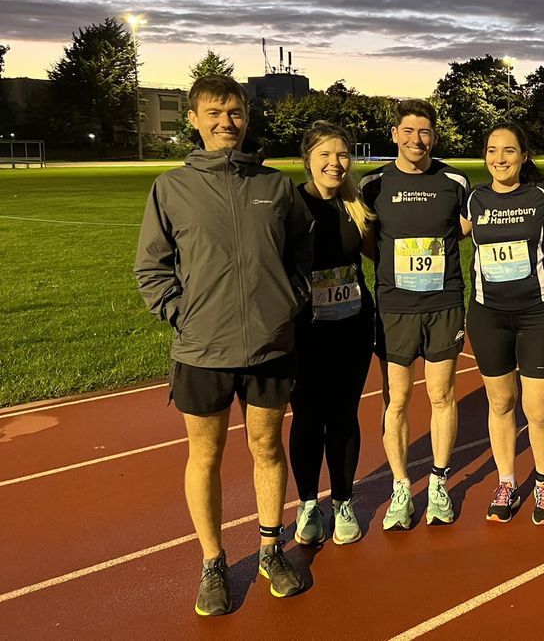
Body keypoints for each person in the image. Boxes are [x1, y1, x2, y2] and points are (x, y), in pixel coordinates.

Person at [134, 75, 313, 616]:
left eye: (234, 112)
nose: (225, 122)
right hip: (202, 352)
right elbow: (151, 268)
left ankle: (270, 548)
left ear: (246, 117)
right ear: (193, 119)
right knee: (205, 455)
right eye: (213, 113)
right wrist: (183, 316)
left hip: (270, 346)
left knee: (267, 447)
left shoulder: (275, 186)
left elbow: (302, 255)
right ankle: (213, 562)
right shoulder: (171, 188)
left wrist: (289, 301)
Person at [359, 99, 470, 530]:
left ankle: (439, 482)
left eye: (424, 132)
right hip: (395, 308)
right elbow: (368, 242)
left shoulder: (454, 181)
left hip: (443, 305)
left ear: (434, 137)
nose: (416, 140)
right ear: (394, 135)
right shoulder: (373, 184)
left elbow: (465, 229)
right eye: (408, 131)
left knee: (442, 395)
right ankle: (402, 486)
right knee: (397, 399)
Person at [462, 122, 544, 524]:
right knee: (501, 402)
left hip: (537, 313)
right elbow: (439, 229)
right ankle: (506, 481)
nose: (500, 158)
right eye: (492, 150)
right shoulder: (474, 199)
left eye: (509, 151)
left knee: (538, 408)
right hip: (488, 315)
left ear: (524, 156)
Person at [289, 121, 377, 547]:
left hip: (352, 328)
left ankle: (342, 500)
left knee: (343, 416)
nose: (335, 163)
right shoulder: (291, 204)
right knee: (308, 417)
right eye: (325, 154)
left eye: (342, 154)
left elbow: (380, 254)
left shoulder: (355, 205)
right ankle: (308, 503)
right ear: (307, 159)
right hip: (304, 332)